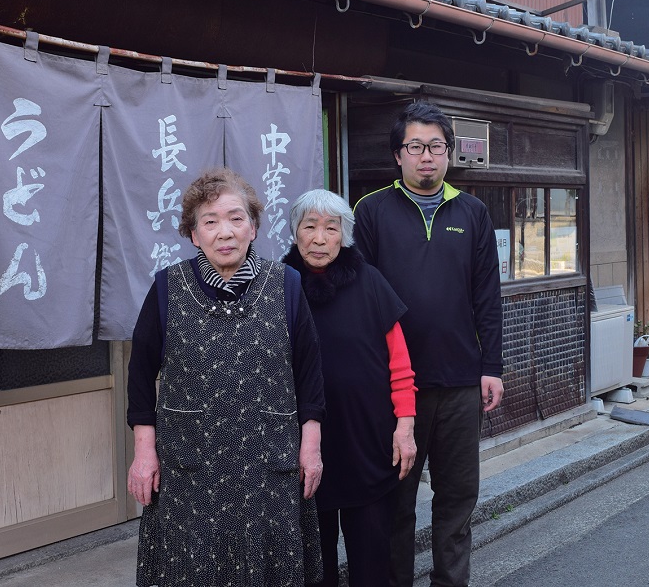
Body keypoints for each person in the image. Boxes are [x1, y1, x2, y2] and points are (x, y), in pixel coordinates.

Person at [127, 168, 326, 587]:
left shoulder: (286, 284)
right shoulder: (167, 287)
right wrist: (144, 453)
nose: (225, 232)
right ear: (194, 234)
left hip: (269, 464)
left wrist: (311, 447)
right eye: (210, 221)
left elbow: (310, 374)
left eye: (236, 218)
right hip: (190, 467)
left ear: (253, 227)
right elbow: (140, 377)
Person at [353, 101, 504, 587]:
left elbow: (487, 296)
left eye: (436, 147)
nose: (426, 157)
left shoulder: (473, 212)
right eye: (415, 147)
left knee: (457, 498)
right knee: (396, 502)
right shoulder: (372, 210)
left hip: (461, 382)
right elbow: (363, 298)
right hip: (397, 390)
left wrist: (492, 365)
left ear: (449, 153)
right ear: (398, 155)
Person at [282, 189, 418, 587]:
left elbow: (402, 365)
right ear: (295, 233)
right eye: (310, 227)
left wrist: (405, 426)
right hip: (302, 448)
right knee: (313, 567)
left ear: (345, 235)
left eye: (331, 228)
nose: (320, 238)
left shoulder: (371, 281)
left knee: (372, 562)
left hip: (369, 443)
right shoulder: (278, 287)